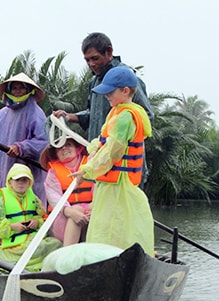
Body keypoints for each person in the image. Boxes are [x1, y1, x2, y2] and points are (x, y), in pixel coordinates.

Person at [69, 66, 155, 257]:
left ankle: (110, 262)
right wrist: (92, 149)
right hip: (113, 184)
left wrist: (87, 170)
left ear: (125, 91)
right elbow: (103, 140)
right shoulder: (118, 111)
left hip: (118, 186)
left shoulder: (125, 116)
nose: (106, 95)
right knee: (116, 226)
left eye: (110, 91)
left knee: (110, 228)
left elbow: (112, 152)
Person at [52, 32, 153, 142]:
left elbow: (146, 117)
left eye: (95, 58)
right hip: (99, 155)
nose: (91, 64)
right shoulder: (95, 81)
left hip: (122, 157)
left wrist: (119, 140)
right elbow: (93, 115)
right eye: (87, 60)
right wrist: (69, 116)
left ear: (109, 52)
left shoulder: (126, 77)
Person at [0, 72, 48, 208]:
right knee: (3, 207)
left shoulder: (36, 113)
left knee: (26, 208)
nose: (17, 91)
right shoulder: (2, 114)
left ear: (29, 90)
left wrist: (21, 148)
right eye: (14, 88)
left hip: (25, 171)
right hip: (2, 170)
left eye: (21, 87)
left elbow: (43, 143)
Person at [0, 163, 62, 272]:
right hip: (15, 245)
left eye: (25, 180)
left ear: (29, 182)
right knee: (32, 250)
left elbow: (42, 217)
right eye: (17, 180)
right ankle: (33, 268)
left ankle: (42, 269)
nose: (21, 183)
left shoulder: (33, 197)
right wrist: (12, 226)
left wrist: (36, 221)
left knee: (57, 244)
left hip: (34, 239)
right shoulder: (3, 199)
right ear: (10, 182)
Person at [40, 136, 94, 246]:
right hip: (63, 218)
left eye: (68, 144)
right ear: (56, 153)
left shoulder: (91, 165)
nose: (64, 148)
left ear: (77, 147)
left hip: (90, 215)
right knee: (77, 209)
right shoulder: (53, 172)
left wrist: (94, 209)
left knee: (97, 210)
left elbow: (100, 192)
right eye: (59, 147)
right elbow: (54, 199)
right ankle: (67, 254)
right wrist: (71, 212)